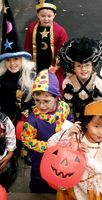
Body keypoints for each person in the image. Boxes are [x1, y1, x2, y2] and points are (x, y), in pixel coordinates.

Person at [48, 99, 102, 200]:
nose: (101, 132)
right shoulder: (76, 135)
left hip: (92, 186)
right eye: (96, 126)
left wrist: (86, 158)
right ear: (86, 124)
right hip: (71, 181)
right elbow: (50, 145)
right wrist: (68, 133)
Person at [21, 67, 71, 193]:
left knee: (58, 175)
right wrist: (48, 146)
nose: (41, 106)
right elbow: (27, 139)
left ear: (57, 97)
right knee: (40, 178)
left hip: (61, 154)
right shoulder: (32, 120)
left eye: (46, 101)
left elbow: (69, 118)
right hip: (40, 157)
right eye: (37, 101)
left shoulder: (64, 107)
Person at [0, 0, 36, 164]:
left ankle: (23, 149)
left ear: (23, 60)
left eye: (16, 59)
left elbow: (33, 98)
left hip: (23, 116)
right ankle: (8, 150)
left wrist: (28, 109)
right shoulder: (1, 78)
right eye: (9, 61)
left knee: (23, 130)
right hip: (5, 115)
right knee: (7, 132)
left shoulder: (29, 76)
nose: (13, 63)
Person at [58, 37, 102, 121]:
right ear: (73, 68)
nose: (83, 69)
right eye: (79, 66)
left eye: (87, 65)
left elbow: (99, 109)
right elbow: (67, 108)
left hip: (92, 120)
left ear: (93, 66)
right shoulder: (68, 83)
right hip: (73, 120)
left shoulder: (98, 84)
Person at [24, 0, 69, 73]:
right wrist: (27, 61)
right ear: (37, 15)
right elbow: (27, 45)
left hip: (53, 66)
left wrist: (58, 66)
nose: (46, 19)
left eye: (49, 16)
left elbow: (63, 50)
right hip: (35, 64)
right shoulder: (32, 28)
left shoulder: (60, 31)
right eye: (43, 16)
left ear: (54, 15)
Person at [0, 112, 17, 191]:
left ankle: (4, 189)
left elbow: (10, 135)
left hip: (2, 157)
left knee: (4, 176)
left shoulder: (3, 119)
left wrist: (10, 153)